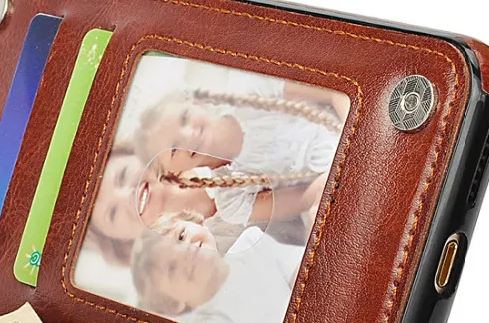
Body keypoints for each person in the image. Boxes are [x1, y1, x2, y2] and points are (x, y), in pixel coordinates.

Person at [134, 70, 346, 229]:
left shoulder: (248, 90)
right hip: (337, 182)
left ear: (195, 103)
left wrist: (354, 141)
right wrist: (341, 172)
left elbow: (335, 92)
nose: (189, 135)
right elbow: (306, 198)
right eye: (174, 148)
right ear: (174, 172)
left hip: (350, 122)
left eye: (184, 118)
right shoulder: (231, 202)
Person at [130, 214, 306, 323]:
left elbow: (301, 271)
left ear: (200, 223)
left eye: (181, 236)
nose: (185, 251)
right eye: (172, 268)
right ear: (173, 305)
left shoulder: (251, 242)